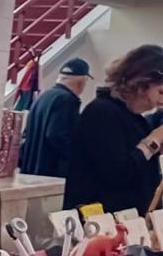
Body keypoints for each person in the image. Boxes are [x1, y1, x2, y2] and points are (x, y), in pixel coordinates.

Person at [65, 44, 163, 213]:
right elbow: (118, 173)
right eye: (161, 92)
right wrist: (152, 142)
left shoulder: (136, 119)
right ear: (140, 85)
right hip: (100, 221)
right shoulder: (102, 113)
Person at [18, 58, 90, 177]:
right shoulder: (66, 100)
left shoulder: (44, 96)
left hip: (31, 170)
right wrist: (78, 159)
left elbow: (27, 134)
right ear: (82, 82)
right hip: (51, 172)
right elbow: (56, 135)